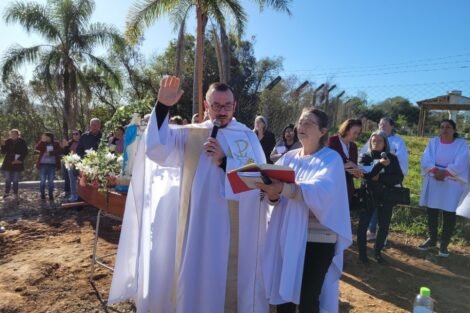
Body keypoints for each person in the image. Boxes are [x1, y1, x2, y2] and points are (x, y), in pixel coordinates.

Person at [109, 76, 269, 313]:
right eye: (216, 105)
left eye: (227, 106)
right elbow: (157, 149)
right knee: (194, 277)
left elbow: (259, 182)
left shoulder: (246, 137)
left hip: (233, 229)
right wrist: (163, 105)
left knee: (229, 281)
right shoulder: (190, 134)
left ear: (235, 106)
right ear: (206, 106)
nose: (222, 111)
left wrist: (224, 161)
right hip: (196, 225)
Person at [258, 108, 352, 313]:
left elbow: (322, 193)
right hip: (288, 235)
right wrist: (273, 195)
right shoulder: (288, 158)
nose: (301, 127)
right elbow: (277, 197)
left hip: (317, 239)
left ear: (323, 131)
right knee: (284, 296)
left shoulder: (331, 159)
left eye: (308, 123)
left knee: (308, 297)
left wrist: (284, 189)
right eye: (300, 122)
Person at [418, 119, 469, 257]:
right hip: (434, 179)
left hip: (452, 182)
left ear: (454, 130)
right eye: (442, 127)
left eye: (448, 127)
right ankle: (432, 240)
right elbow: (426, 158)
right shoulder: (433, 142)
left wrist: (445, 173)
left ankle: (444, 245)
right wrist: (435, 171)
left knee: (448, 213)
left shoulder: (461, 144)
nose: (445, 130)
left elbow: (462, 161)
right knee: (432, 212)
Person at [356, 131, 404, 264]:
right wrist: (380, 165)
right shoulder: (365, 156)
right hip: (368, 195)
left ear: (385, 143)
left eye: (379, 141)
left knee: (383, 226)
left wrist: (381, 177)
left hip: (386, 196)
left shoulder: (392, 158)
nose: (376, 143)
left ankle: (377, 253)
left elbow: (399, 177)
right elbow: (367, 175)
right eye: (373, 141)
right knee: (363, 225)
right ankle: (362, 254)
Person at [360, 117, 408, 241]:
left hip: (387, 179)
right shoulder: (374, 137)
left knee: (384, 207)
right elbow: (364, 155)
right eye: (380, 124)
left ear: (392, 126)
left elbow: (401, 159)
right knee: (371, 204)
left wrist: (389, 175)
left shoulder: (398, 141)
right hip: (371, 181)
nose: (382, 127)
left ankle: (382, 235)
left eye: (385, 125)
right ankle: (371, 229)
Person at [328, 119, 363, 206]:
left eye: (358, 133)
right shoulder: (331, 141)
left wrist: (357, 172)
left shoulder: (354, 146)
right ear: (347, 130)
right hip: (332, 186)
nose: (356, 135)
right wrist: (342, 166)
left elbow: (353, 166)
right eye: (354, 132)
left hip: (347, 188)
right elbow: (325, 164)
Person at [1, 129, 28, 199]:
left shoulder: (22, 142)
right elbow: (3, 152)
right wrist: (3, 145)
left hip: (17, 163)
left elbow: (25, 152)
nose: (13, 135)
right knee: (7, 179)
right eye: (11, 134)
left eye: (14, 134)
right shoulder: (8, 141)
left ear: (18, 135)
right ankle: (6, 192)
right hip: (8, 163)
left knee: (15, 179)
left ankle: (15, 192)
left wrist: (19, 160)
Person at [35, 132, 62, 201]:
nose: (45, 138)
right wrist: (42, 141)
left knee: (51, 181)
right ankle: (42, 195)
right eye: (44, 137)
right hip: (43, 164)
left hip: (52, 165)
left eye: (46, 137)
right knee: (42, 180)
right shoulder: (43, 143)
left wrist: (50, 153)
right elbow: (37, 148)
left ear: (50, 137)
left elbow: (59, 151)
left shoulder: (56, 143)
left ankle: (50, 195)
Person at [62, 130, 82, 202]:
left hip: (80, 164)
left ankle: (80, 196)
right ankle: (73, 195)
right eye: (73, 134)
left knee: (80, 180)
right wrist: (65, 147)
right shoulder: (70, 143)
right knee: (72, 180)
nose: (75, 135)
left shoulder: (82, 142)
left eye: (77, 134)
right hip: (70, 164)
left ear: (80, 134)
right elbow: (65, 153)